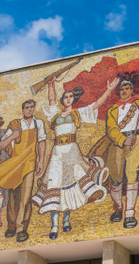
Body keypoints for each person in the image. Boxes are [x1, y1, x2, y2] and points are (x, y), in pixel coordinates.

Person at [32, 79, 114, 239]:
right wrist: (50, 85)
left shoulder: (77, 113)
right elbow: (51, 100)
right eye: (65, 97)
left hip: (72, 151)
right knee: (55, 184)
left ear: (73, 99)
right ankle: (54, 225)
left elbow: (96, 105)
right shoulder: (55, 114)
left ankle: (67, 220)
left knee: (72, 184)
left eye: (70, 97)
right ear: (62, 100)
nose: (68, 99)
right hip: (57, 153)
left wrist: (109, 90)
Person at [99, 74, 139, 228]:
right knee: (116, 178)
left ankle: (129, 214)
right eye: (122, 89)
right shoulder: (112, 110)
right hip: (118, 145)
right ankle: (118, 209)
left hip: (135, 142)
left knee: (132, 176)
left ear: (132, 90)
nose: (124, 91)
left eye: (127, 88)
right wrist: (122, 140)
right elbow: (111, 129)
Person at [0, 100, 47, 243]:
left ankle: (21, 228)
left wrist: (41, 161)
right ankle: (11, 225)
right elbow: (1, 145)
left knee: (26, 198)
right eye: (26, 108)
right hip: (15, 164)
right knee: (13, 197)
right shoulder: (15, 125)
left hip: (30, 164)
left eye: (31, 107)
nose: (29, 110)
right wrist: (13, 136)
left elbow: (41, 142)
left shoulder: (39, 124)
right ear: (22, 110)